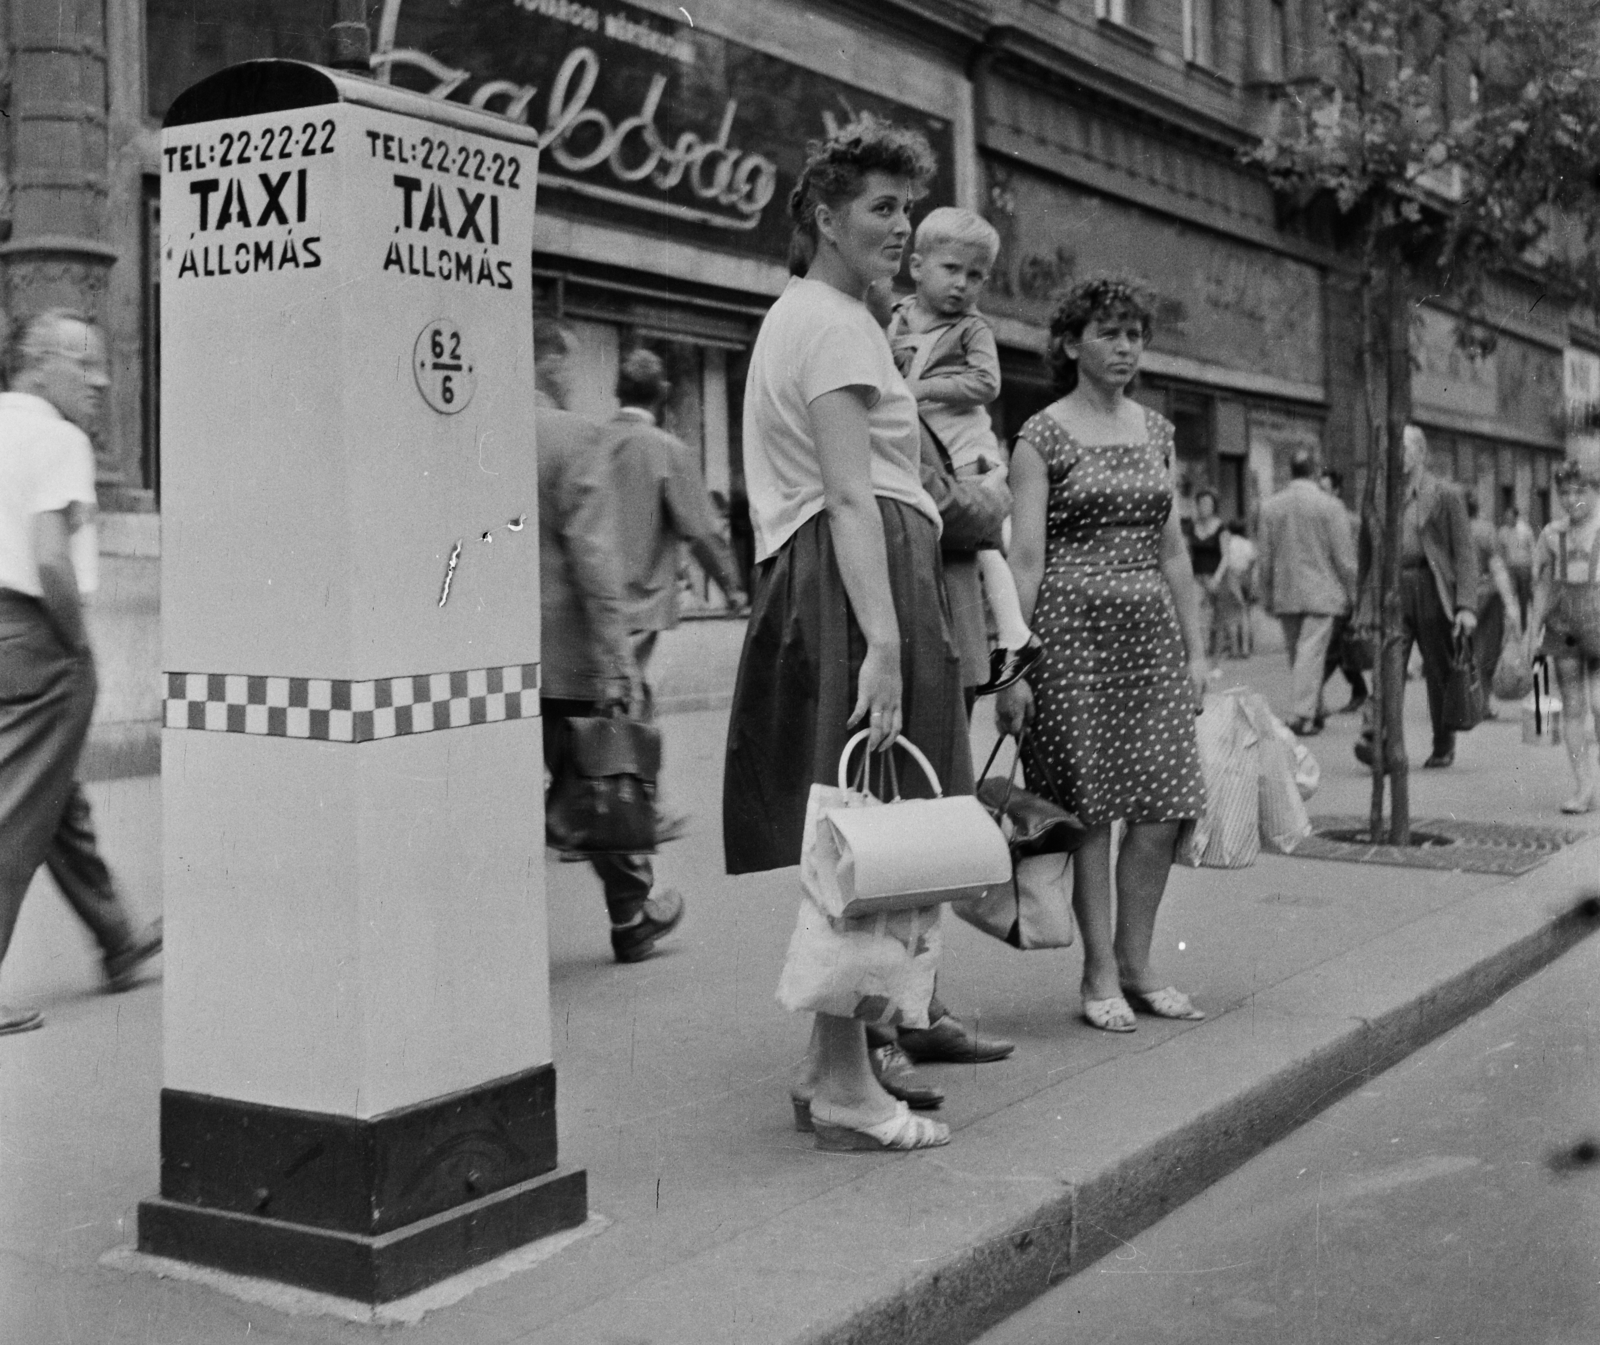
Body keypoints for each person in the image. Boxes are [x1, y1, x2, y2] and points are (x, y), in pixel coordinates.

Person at [723, 120, 967, 1151]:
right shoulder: (830, 323)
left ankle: (838, 1061)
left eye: (906, 210)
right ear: (822, 216)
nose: (899, 228)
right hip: (859, 580)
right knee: (876, 823)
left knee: (868, 822)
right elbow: (848, 492)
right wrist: (885, 640)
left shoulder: (818, 315)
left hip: (852, 574)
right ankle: (842, 1081)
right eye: (879, 208)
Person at [995, 275, 1208, 1035]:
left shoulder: (1156, 431)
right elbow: (1024, 558)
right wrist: (1013, 665)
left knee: (1162, 808)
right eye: (1110, 332)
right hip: (1071, 636)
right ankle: (1099, 972)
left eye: (1135, 334)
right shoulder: (1040, 436)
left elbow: (1175, 549)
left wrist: (1197, 651)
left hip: (1148, 635)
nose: (1126, 347)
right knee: (1090, 812)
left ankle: (1140, 960)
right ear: (1069, 343)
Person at [0, 309, 163, 1035]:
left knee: (52, 794)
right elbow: (51, 559)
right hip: (40, 638)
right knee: (17, 811)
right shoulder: (59, 440)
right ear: (37, 363)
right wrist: (77, 648)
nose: (101, 380)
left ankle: (117, 941)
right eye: (83, 363)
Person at [534, 320, 684, 964]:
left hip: (481, 659)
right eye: (565, 364)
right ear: (549, 364)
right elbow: (593, 555)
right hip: (563, 652)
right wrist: (617, 657)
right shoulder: (573, 435)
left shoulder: (459, 429)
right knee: (598, 775)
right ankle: (631, 915)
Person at [887, 207, 1041, 695]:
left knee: (984, 539)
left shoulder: (972, 328)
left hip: (967, 447)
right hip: (927, 448)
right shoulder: (895, 319)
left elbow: (986, 381)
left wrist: (923, 390)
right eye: (951, 269)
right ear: (917, 266)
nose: (962, 285)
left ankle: (1016, 634)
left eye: (975, 276)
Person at [601, 347, 746, 717]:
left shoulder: (591, 442)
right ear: (663, 393)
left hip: (592, 606)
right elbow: (700, 532)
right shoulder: (667, 450)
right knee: (628, 728)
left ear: (618, 392)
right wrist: (731, 588)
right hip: (639, 611)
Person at [1356, 425, 1477, 770]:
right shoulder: (1378, 495)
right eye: (1390, 447)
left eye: (1404, 447)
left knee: (1440, 671)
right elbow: (1366, 552)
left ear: (1421, 453)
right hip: (1392, 589)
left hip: (1432, 586)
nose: (1396, 454)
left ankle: (1443, 743)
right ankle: (1382, 743)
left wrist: (1466, 606)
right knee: (1387, 668)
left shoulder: (1445, 494)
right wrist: (1363, 601)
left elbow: (1465, 554)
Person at [1257, 451, 1358, 736]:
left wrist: (1265, 594)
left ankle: (1315, 707)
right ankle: (1303, 713)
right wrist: (1354, 595)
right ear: (1315, 472)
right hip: (1322, 593)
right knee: (1310, 653)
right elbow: (1344, 559)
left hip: (1286, 592)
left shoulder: (1270, 507)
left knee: (1299, 654)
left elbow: (1265, 558)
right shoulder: (1331, 506)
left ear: (1292, 471)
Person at [1525, 458, 1600, 812]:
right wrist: (1532, 629)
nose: (1571, 500)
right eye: (1564, 492)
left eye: (1579, 491)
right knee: (1572, 706)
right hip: (1564, 626)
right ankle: (1584, 786)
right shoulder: (1552, 535)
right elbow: (1541, 586)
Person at [1318, 468, 1369, 713]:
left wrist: (1356, 596)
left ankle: (1312, 694)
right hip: (1326, 591)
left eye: (1325, 490)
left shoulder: (1348, 520)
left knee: (1332, 649)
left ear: (1337, 491)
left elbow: (1353, 562)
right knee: (1339, 648)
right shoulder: (1320, 517)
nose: (1321, 495)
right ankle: (1359, 690)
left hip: (1343, 593)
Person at [1465, 494, 1517, 719]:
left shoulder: (1451, 529)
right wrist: (1510, 604)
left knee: (1462, 651)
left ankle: (1463, 703)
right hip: (1488, 595)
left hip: (1459, 596)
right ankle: (1482, 703)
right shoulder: (1486, 530)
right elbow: (1497, 568)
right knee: (1486, 651)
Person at [1182, 488, 1226, 661]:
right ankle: (1200, 652)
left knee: (1215, 616)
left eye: (1207, 503)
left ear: (1214, 506)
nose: (1204, 507)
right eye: (1201, 503)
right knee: (1196, 615)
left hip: (1213, 576)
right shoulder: (1192, 527)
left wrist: (1217, 577)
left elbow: (1225, 556)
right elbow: (1186, 552)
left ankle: (1215, 656)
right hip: (1196, 577)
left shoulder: (1220, 527)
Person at [1212, 521, 1256, 659]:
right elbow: (1252, 561)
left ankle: (1234, 648)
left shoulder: (1230, 543)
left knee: (1232, 615)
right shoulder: (1248, 544)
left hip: (1231, 577)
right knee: (1244, 614)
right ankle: (1246, 648)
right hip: (1245, 577)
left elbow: (1226, 560)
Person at [1499, 503, 1536, 627]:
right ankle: (1509, 627)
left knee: (1523, 598)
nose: (1507, 519)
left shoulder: (1525, 529)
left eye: (1510, 517)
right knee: (1509, 598)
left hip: (1524, 567)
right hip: (1510, 568)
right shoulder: (1503, 531)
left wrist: (1534, 569)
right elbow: (1501, 550)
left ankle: (1524, 625)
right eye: (1506, 517)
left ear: (1516, 517)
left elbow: (1532, 549)